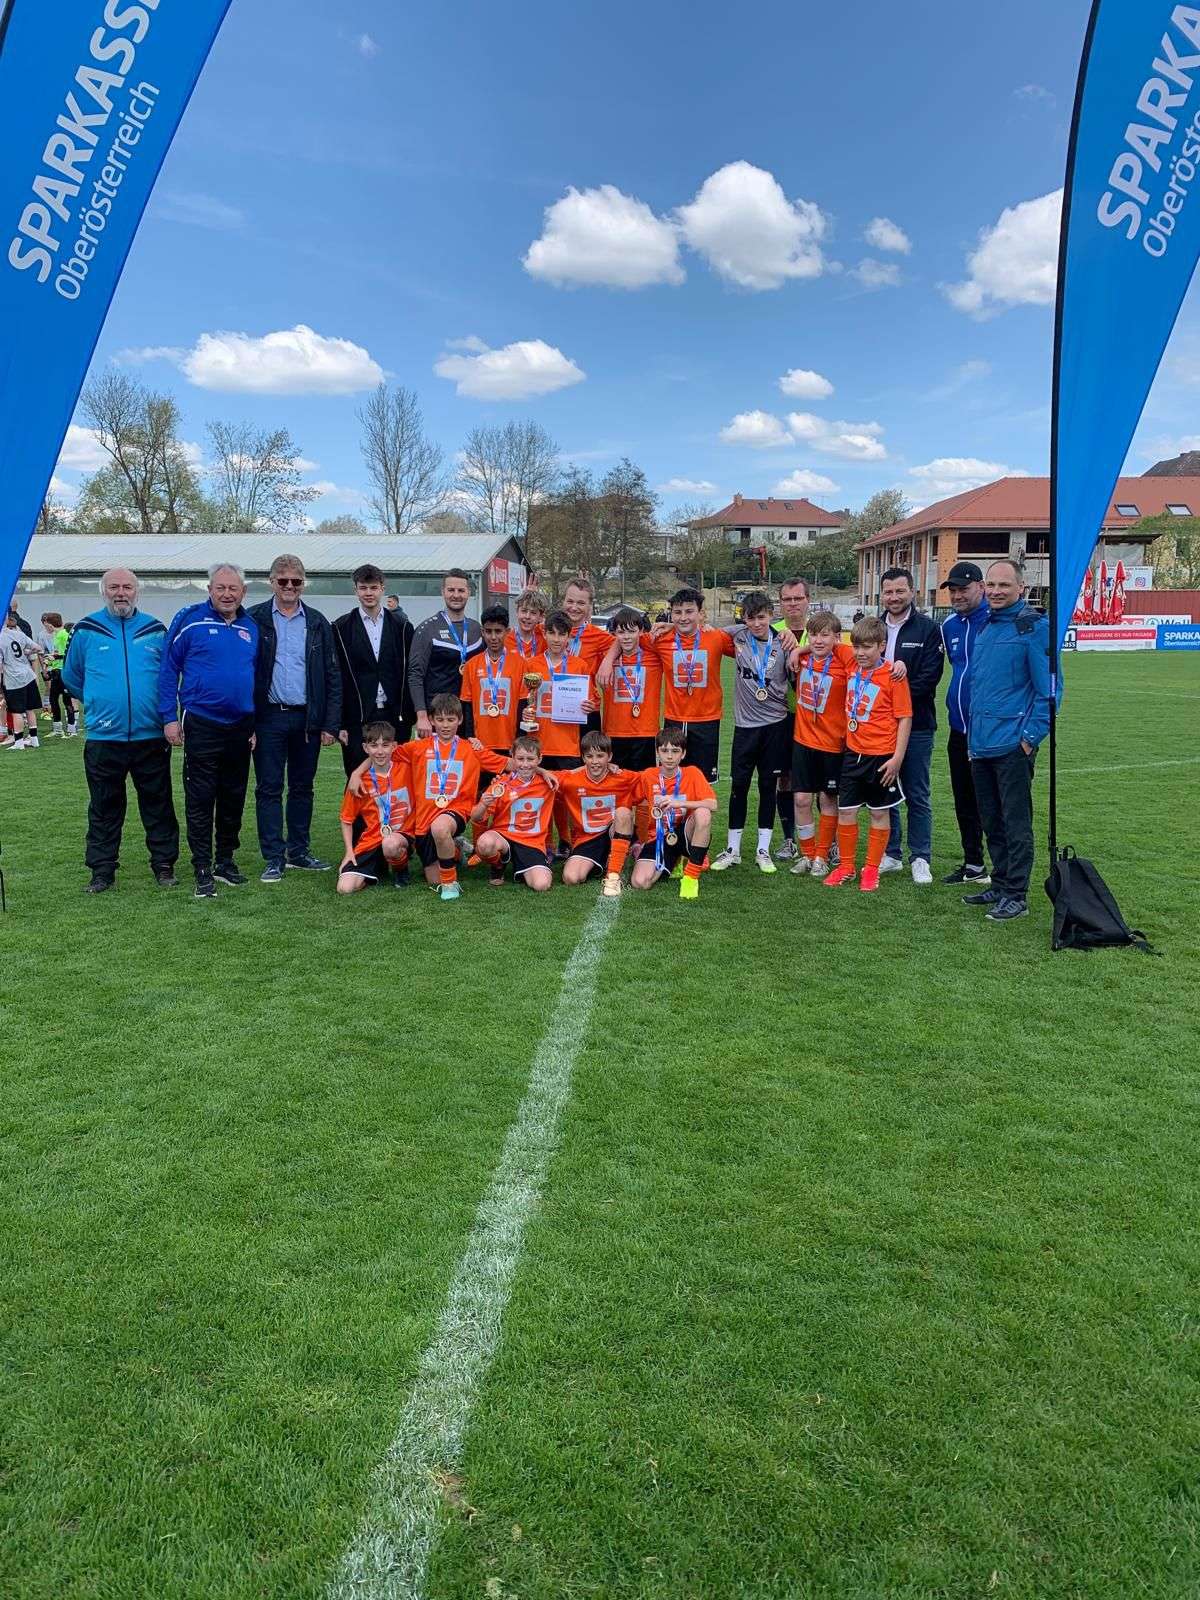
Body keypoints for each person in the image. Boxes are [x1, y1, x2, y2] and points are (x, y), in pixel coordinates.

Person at [61, 567, 179, 892]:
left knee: (158, 804)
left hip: (150, 736)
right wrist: (99, 700)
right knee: (104, 807)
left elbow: (169, 677)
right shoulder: (86, 630)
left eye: (127, 587)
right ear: (104, 591)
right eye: (114, 587)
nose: (121, 593)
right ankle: (102, 871)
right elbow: (71, 676)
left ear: (136, 591)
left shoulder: (155, 630)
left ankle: (164, 865)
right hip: (104, 738)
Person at [965, 559, 1059, 923]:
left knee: (1015, 823)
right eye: (991, 585)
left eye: (1004, 585)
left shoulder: (1034, 627)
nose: (996, 591)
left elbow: (1050, 691)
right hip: (981, 744)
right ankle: (1001, 882)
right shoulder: (986, 626)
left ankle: (1016, 894)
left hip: (1011, 745)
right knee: (991, 820)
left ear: (1021, 588)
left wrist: (1029, 739)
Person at [159, 563, 259, 899]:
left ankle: (225, 861)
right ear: (210, 590)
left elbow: (255, 677)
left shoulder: (250, 626)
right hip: (201, 722)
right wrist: (169, 717)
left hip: (240, 726)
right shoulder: (190, 620)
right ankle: (202, 866)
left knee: (233, 796)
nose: (227, 594)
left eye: (233, 588)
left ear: (243, 592)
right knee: (201, 798)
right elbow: (168, 669)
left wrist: (254, 723)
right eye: (221, 588)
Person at [248, 554, 341, 882]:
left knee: (303, 787)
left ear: (304, 583)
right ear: (271, 582)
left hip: (307, 719)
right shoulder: (254, 619)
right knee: (269, 788)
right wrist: (248, 723)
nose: (289, 586)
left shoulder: (317, 622)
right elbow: (244, 672)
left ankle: (299, 851)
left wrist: (330, 723)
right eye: (283, 580)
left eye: (296, 581)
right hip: (268, 717)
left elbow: (332, 675)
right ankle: (274, 856)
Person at [606, 587, 734, 782]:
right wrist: (608, 661)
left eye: (689, 612)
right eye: (677, 612)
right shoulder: (659, 639)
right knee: (671, 779)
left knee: (702, 781)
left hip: (707, 720)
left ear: (701, 613)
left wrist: (782, 636)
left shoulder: (716, 637)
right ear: (670, 613)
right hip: (673, 719)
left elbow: (746, 642)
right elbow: (627, 636)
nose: (683, 618)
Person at [824, 617, 912, 893]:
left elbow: (905, 718)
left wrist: (897, 758)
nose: (861, 653)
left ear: (882, 646)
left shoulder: (894, 676)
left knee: (878, 812)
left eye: (868, 647)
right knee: (846, 810)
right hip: (853, 753)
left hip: (882, 756)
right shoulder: (852, 663)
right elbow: (825, 643)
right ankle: (846, 866)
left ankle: (872, 869)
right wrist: (797, 649)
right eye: (857, 647)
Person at [711, 591, 793, 874]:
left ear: (770, 615)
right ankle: (732, 849)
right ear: (743, 619)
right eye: (750, 618)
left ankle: (763, 850)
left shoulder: (783, 641)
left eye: (761, 617)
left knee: (768, 786)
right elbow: (709, 631)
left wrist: (791, 639)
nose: (756, 624)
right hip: (745, 728)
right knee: (739, 787)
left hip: (775, 726)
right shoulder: (738, 636)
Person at [876, 566, 944, 884]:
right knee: (886, 792)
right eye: (888, 592)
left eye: (899, 591)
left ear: (912, 592)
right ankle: (891, 854)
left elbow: (930, 678)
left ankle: (920, 857)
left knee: (917, 793)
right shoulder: (873, 627)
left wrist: (891, 699)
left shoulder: (928, 629)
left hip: (917, 725)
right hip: (880, 728)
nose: (894, 597)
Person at [788, 610, 855, 879]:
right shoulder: (802, 659)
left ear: (837, 637)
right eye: (813, 635)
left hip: (833, 744)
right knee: (801, 799)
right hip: (803, 741)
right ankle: (807, 854)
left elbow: (863, 654)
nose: (818, 640)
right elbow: (804, 650)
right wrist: (798, 650)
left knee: (828, 800)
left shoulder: (844, 658)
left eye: (825, 635)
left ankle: (822, 855)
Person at [526, 610, 598, 853]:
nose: (556, 639)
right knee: (542, 795)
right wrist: (526, 713)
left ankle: (568, 842)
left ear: (569, 637)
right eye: (552, 633)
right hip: (539, 741)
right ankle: (545, 844)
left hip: (568, 743)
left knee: (567, 796)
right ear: (544, 634)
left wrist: (589, 705)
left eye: (562, 634)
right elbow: (525, 701)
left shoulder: (579, 666)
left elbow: (592, 701)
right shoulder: (532, 665)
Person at [333, 563, 415, 778]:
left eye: (373, 587)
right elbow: (337, 677)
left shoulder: (402, 626)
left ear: (382, 588)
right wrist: (339, 722)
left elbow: (409, 672)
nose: (368, 593)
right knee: (358, 778)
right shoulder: (341, 628)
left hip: (394, 715)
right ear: (356, 590)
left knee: (397, 778)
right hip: (357, 717)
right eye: (363, 588)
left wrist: (410, 714)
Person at [939, 561, 991, 887]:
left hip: (991, 732)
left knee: (993, 804)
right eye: (953, 590)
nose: (958, 595)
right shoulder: (949, 626)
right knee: (964, 800)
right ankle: (974, 864)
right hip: (958, 730)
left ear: (981, 587)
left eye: (964, 589)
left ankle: (1006, 875)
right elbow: (958, 669)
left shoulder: (996, 620)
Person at [629, 726, 717, 900]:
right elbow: (628, 796)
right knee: (640, 882)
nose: (669, 756)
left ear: (683, 754)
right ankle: (673, 861)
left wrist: (680, 803)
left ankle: (691, 877)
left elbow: (713, 804)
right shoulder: (648, 776)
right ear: (657, 753)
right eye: (664, 751)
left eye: (675, 751)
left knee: (703, 813)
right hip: (659, 838)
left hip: (685, 834)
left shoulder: (692, 773)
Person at [468, 734, 557, 892]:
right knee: (485, 843)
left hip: (531, 842)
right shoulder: (501, 784)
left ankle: (523, 866)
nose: (525, 764)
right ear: (512, 758)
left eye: (530, 759)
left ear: (539, 759)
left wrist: (608, 766)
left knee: (541, 885)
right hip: (504, 836)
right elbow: (475, 817)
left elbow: (576, 774)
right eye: (520, 759)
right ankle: (498, 864)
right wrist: (483, 804)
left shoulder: (549, 781)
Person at [555, 731, 637, 896]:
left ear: (610, 756)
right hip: (587, 840)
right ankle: (604, 861)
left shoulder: (623, 777)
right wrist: (578, 769)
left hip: (613, 832)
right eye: (589, 756)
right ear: (583, 758)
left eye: (600, 756)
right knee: (571, 878)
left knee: (623, 813)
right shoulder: (570, 779)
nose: (595, 761)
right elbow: (534, 773)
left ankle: (613, 875)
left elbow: (654, 778)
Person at [337, 719, 413, 893]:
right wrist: (349, 852)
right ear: (365, 748)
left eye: (385, 745)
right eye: (374, 746)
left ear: (394, 746)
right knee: (344, 888)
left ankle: (401, 870)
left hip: (403, 837)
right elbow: (346, 820)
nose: (379, 751)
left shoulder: (408, 767)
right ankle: (377, 869)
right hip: (372, 840)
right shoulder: (359, 783)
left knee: (391, 844)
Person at [409, 570, 484, 737]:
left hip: (470, 714)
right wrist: (422, 716)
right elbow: (415, 674)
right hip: (439, 715)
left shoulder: (477, 629)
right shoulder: (427, 629)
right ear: (443, 591)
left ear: (468, 592)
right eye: (451, 590)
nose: (456, 595)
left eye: (461, 590)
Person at [771, 577, 812, 860]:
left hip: (816, 718)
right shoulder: (770, 631)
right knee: (783, 778)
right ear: (780, 603)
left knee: (819, 780)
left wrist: (801, 648)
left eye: (798, 598)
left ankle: (828, 841)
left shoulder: (820, 630)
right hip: (781, 717)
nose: (793, 604)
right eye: (787, 599)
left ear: (808, 600)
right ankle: (789, 839)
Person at [601, 605, 662, 774]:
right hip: (614, 733)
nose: (626, 637)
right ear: (614, 634)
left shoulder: (655, 657)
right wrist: (608, 660)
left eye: (631, 631)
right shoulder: (605, 658)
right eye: (621, 632)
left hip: (646, 733)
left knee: (643, 783)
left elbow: (676, 634)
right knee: (617, 783)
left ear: (641, 631)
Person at [460, 604, 523, 757]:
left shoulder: (520, 664)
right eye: (488, 631)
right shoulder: (471, 665)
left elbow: (523, 705)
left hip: (509, 742)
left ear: (507, 631)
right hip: (480, 742)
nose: (493, 637)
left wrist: (520, 739)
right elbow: (467, 704)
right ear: (482, 632)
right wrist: (470, 736)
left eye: (498, 631)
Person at [1, 609, 44, 749]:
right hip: (28, 674)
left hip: (14, 678)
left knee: (16, 711)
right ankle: (34, 739)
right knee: (30, 709)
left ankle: (19, 742)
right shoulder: (18, 633)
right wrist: (26, 652)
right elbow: (38, 648)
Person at [39, 613, 77, 736]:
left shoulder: (64, 635)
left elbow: (70, 653)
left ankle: (72, 729)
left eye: (46, 624)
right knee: (53, 699)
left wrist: (55, 657)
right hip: (56, 671)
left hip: (64, 672)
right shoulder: (57, 635)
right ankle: (57, 729)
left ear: (50, 624)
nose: (46, 627)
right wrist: (49, 660)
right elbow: (57, 653)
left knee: (67, 700)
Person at [507, 589, 549, 659]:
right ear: (517, 612)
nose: (527, 616)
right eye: (524, 611)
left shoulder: (544, 640)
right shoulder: (506, 640)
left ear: (541, 617)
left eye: (533, 613)